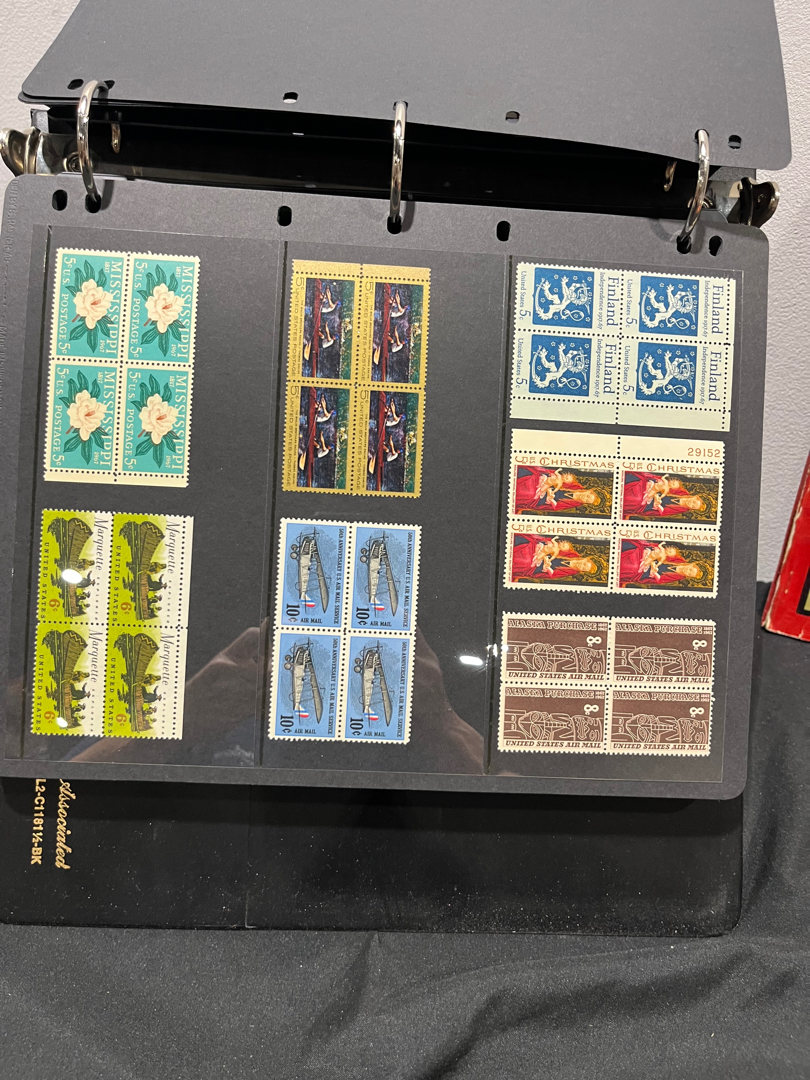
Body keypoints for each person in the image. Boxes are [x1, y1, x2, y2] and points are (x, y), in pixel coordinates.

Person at [514, 466, 603, 514]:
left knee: (531, 495)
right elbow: (561, 478)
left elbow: (555, 507)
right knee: (530, 491)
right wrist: (553, 484)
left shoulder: (575, 504)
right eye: (587, 496)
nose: (584, 498)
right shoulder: (575, 485)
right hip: (546, 482)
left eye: (587, 500)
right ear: (588, 491)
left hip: (542, 499)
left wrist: (550, 498)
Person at [619, 538, 704, 586]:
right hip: (649, 555)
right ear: (691, 565)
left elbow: (658, 580)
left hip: (646, 572)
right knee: (634, 561)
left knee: (634, 568)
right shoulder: (679, 560)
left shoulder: (678, 577)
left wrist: (654, 571)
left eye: (689, 574)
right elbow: (666, 552)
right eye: (690, 569)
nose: (687, 571)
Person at [622, 471, 706, 518]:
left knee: (638, 500)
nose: (691, 504)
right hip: (651, 487)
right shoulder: (681, 492)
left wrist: (657, 504)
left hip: (649, 504)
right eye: (693, 502)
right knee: (637, 497)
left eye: (693, 506)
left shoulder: (681, 510)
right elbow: (668, 484)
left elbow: (660, 512)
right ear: (694, 497)